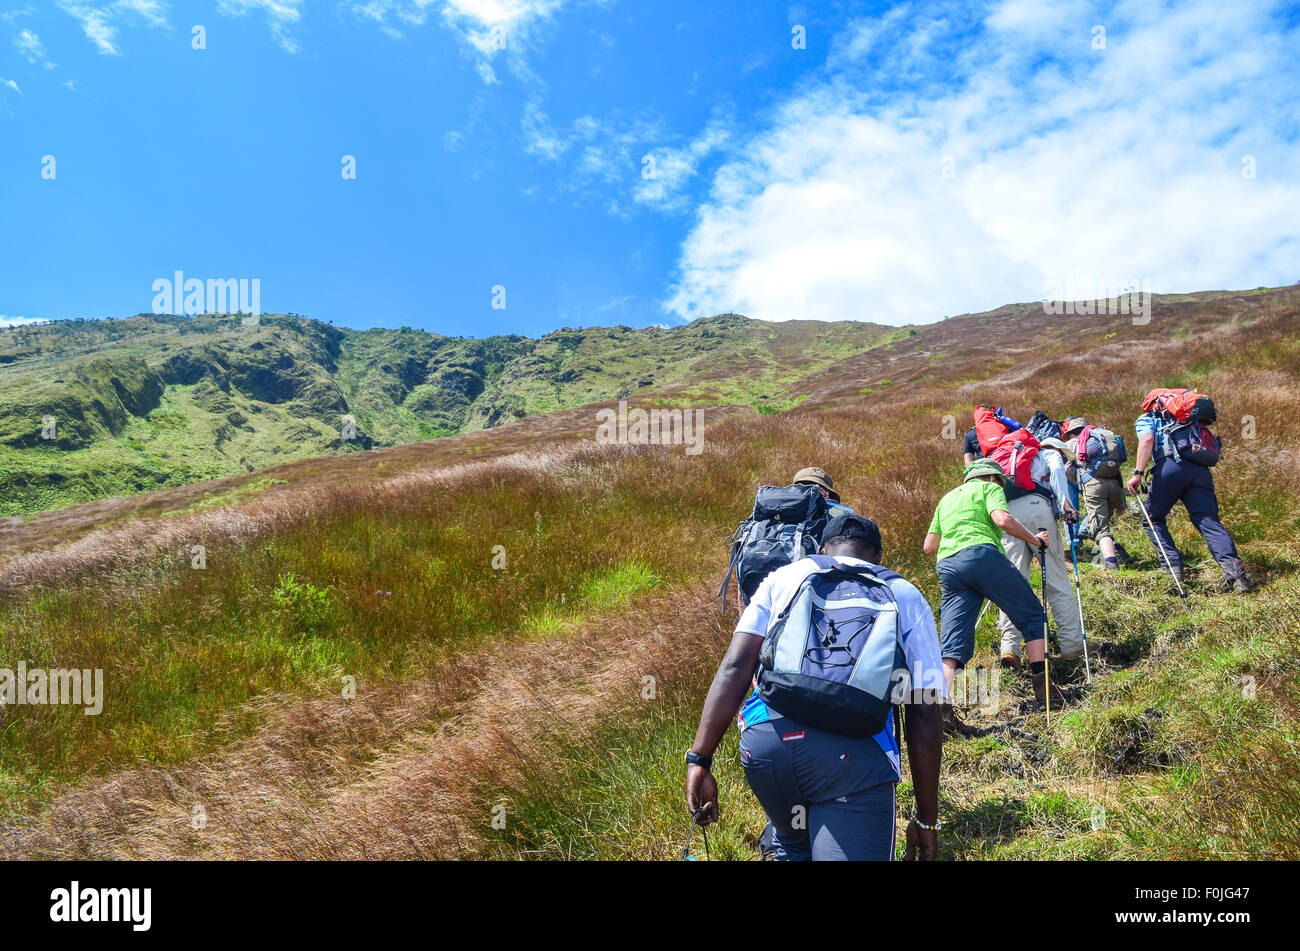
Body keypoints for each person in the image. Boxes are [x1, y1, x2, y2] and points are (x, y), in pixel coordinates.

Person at [686, 514, 945, 861]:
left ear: (822, 549)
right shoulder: (903, 594)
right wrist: (926, 821)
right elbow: (925, 711)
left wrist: (699, 758)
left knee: (794, 845)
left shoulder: (784, 578)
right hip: (851, 760)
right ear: (878, 557)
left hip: (768, 748)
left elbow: (734, 666)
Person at [923, 460, 1062, 706]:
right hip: (981, 555)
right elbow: (1003, 521)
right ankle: (1045, 693)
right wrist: (1036, 540)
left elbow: (929, 546)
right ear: (993, 477)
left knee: (953, 643)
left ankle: (940, 712)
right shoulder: (989, 488)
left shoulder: (946, 499)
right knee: (1031, 614)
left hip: (948, 566)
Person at [1127, 402, 1254, 592]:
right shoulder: (1187, 420)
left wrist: (1138, 473)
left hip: (1170, 467)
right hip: (1199, 471)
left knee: (1152, 518)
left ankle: (1172, 570)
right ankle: (1237, 577)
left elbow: (1146, 439)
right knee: (1209, 522)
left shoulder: (1148, 418)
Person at [994, 435, 1086, 668]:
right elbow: (1056, 471)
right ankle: (1071, 646)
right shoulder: (1048, 453)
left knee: (1014, 583)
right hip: (1037, 508)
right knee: (1056, 579)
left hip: (1007, 514)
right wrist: (1066, 503)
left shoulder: (1011, 458)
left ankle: (1009, 647)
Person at [1063, 416, 1127, 570]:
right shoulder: (1101, 440)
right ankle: (1087, 530)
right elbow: (1117, 470)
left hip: (1091, 485)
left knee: (1099, 527)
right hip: (1113, 484)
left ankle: (1109, 562)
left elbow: (1065, 469)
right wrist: (1122, 501)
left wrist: (1082, 479)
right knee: (1101, 519)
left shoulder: (1070, 444)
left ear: (1071, 433)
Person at [792, 466, 856, 518]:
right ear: (827, 493)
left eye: (814, 489)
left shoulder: (783, 508)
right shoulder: (843, 515)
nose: (808, 492)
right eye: (803, 488)